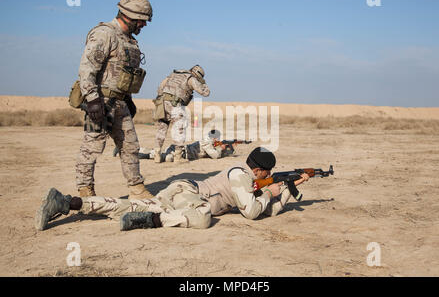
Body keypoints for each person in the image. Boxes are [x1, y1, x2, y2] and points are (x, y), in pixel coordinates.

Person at [35, 147, 310, 231]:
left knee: (131, 205)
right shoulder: (240, 177)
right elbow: (252, 211)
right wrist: (273, 192)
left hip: (181, 193)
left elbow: (264, 208)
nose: (270, 177)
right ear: (260, 170)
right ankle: (152, 222)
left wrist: (287, 190)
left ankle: (68, 203)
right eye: (269, 173)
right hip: (190, 195)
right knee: (203, 219)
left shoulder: (241, 172)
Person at [75, 0, 153, 200]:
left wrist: (128, 99)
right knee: (91, 147)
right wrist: (92, 100)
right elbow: (87, 69)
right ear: (129, 16)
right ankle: (85, 190)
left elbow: (121, 75)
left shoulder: (129, 40)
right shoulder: (104, 34)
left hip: (120, 103)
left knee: (130, 146)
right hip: (100, 102)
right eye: (142, 21)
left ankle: (136, 188)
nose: (144, 25)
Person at [152, 65, 210, 163]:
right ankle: (178, 157)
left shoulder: (173, 74)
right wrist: (204, 84)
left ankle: (157, 155)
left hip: (162, 103)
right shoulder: (191, 79)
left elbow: (161, 87)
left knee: (161, 129)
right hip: (176, 105)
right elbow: (205, 93)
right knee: (179, 129)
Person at [137, 130, 237, 162]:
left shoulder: (209, 142)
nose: (218, 141)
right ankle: (143, 155)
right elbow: (215, 156)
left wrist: (228, 149)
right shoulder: (207, 142)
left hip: (182, 151)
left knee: (164, 155)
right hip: (181, 152)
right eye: (217, 139)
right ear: (214, 138)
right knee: (167, 157)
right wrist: (221, 148)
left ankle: (142, 151)